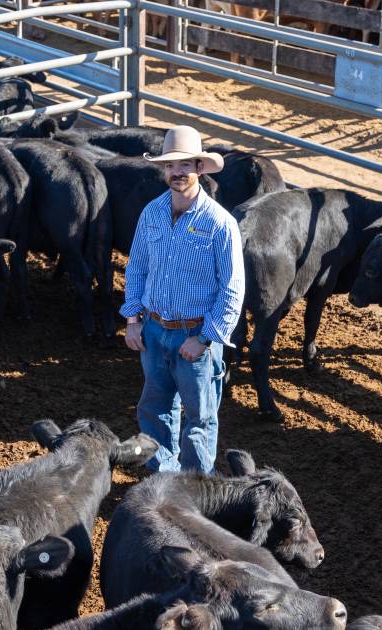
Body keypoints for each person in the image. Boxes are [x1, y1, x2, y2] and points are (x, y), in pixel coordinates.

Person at [119, 125, 244, 474]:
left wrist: (204, 338)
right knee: (153, 410)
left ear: (200, 169)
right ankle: (163, 483)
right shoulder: (152, 213)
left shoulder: (220, 223)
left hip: (195, 336)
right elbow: (136, 269)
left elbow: (232, 289)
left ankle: (196, 491)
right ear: (163, 170)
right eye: (171, 166)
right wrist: (133, 320)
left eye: (185, 165)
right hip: (155, 330)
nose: (177, 172)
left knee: (199, 419)